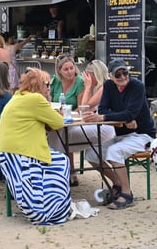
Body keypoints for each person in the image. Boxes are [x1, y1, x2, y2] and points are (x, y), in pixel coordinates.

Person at [0, 67, 71, 225]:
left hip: (6, 149)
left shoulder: (18, 96)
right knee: (62, 161)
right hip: (18, 151)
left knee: (59, 160)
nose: (49, 88)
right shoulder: (36, 99)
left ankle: (51, 203)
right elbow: (58, 123)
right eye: (47, 84)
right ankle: (51, 208)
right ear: (40, 85)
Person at [82, 59, 156, 210]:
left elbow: (129, 113)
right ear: (110, 76)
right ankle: (118, 184)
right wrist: (123, 118)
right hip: (123, 134)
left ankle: (127, 194)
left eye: (125, 72)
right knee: (91, 154)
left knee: (114, 151)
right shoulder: (109, 86)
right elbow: (103, 109)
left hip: (143, 134)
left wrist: (111, 117)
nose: (123, 77)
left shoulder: (137, 86)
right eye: (118, 74)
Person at [47, 56, 115, 186]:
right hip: (89, 123)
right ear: (59, 71)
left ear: (95, 74)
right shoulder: (56, 81)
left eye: (72, 68)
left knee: (60, 134)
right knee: (58, 132)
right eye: (66, 69)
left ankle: (63, 171)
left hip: (104, 128)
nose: (86, 79)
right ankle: (64, 171)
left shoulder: (104, 86)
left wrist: (88, 87)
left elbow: (84, 108)